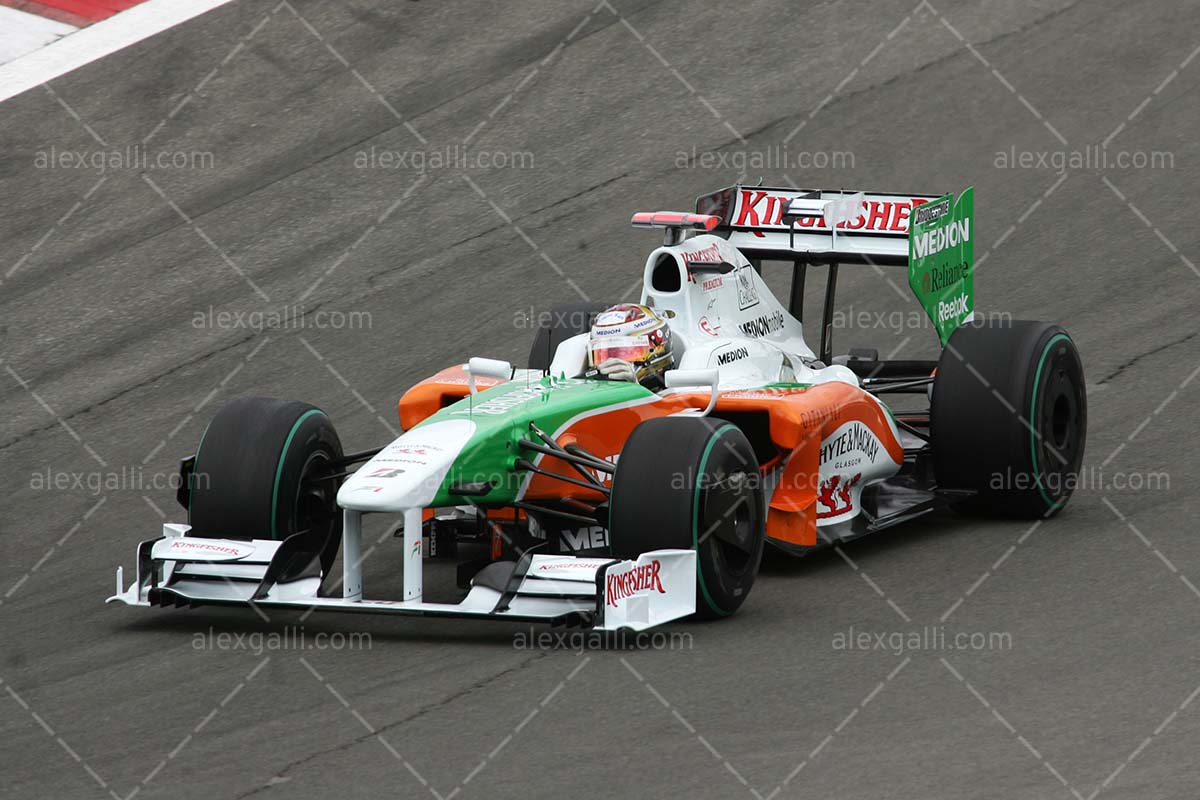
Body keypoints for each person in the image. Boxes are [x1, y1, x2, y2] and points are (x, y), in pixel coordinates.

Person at [586, 303, 673, 390]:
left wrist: (634, 388)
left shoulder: (679, 389)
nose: (612, 364)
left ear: (657, 349)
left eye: (627, 353)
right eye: (603, 354)